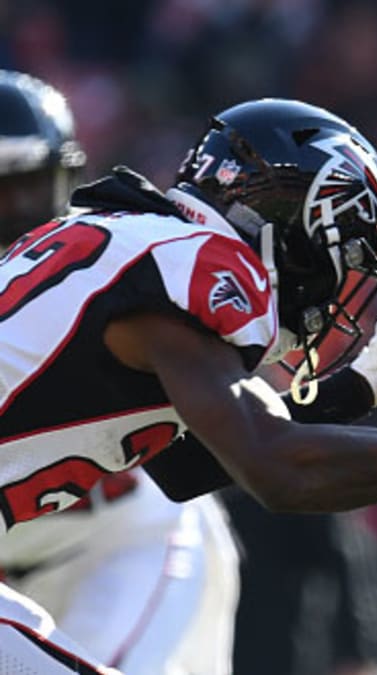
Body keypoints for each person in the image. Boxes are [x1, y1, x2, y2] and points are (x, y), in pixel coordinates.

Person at [0, 95, 377, 673]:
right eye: (340, 256)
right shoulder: (195, 264)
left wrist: (354, 390)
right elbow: (282, 473)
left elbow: (184, 468)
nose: (334, 290)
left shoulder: (128, 240)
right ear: (295, 231)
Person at [0, 69, 241, 675]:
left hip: (120, 548)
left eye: (24, 185)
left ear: (67, 178)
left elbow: (238, 436)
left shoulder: (102, 273)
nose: (8, 212)